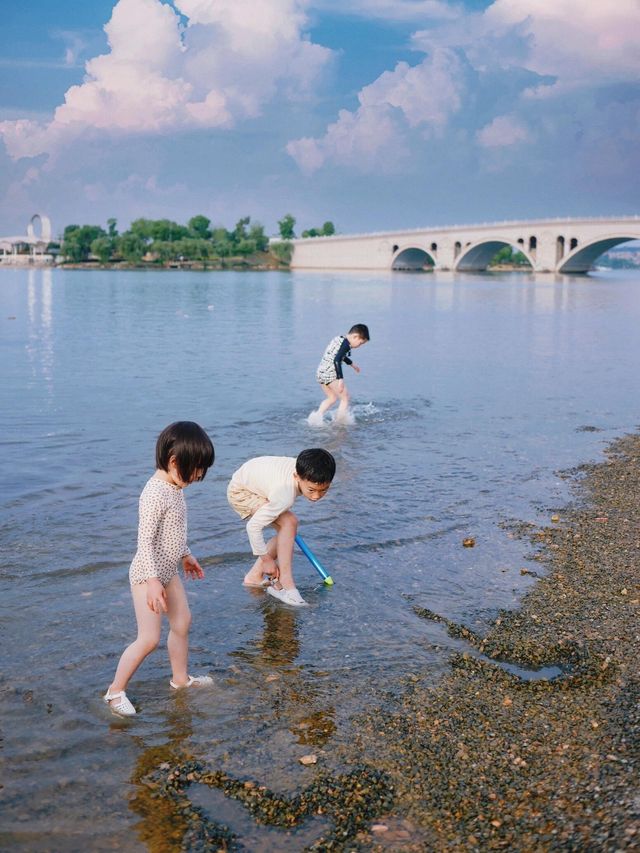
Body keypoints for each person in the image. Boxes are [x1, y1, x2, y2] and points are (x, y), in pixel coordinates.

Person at [103, 421, 215, 716]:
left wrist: (186, 554)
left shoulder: (174, 486)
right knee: (149, 638)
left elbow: (173, 531)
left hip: (167, 572)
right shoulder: (154, 493)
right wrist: (153, 581)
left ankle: (180, 680)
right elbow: (145, 541)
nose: (198, 476)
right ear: (174, 461)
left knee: (182, 623)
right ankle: (115, 692)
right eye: (195, 470)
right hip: (146, 575)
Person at [227, 448, 336, 606]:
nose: (316, 496)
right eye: (311, 490)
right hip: (242, 492)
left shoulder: (303, 471)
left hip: (258, 484)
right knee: (289, 523)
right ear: (296, 476)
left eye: (323, 490)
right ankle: (286, 584)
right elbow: (253, 527)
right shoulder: (284, 495)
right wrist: (266, 560)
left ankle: (254, 577)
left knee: (288, 530)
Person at [312, 323, 370, 422]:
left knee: (332, 397)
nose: (359, 346)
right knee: (345, 398)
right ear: (355, 336)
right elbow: (337, 360)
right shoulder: (346, 345)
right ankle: (340, 424)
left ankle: (316, 417)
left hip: (320, 372)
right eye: (360, 343)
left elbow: (339, 355)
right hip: (330, 374)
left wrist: (352, 364)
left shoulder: (339, 339)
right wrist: (340, 379)